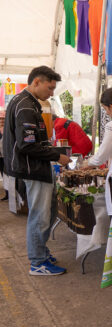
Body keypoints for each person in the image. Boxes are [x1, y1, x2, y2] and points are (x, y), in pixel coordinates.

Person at [2, 66, 70, 276]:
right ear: (37, 82)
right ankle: (37, 262)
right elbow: (27, 145)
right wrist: (57, 156)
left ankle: (40, 250)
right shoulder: (26, 106)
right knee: (39, 216)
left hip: (35, 167)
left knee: (48, 212)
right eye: (49, 88)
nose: (51, 93)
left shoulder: (27, 102)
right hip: (32, 169)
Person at [0, 110, 8, 200]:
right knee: (3, 175)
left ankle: (12, 194)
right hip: (0, 157)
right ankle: (7, 194)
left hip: (7, 156)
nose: (1, 121)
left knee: (9, 175)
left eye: (3, 119)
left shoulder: (8, 129)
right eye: (0, 119)